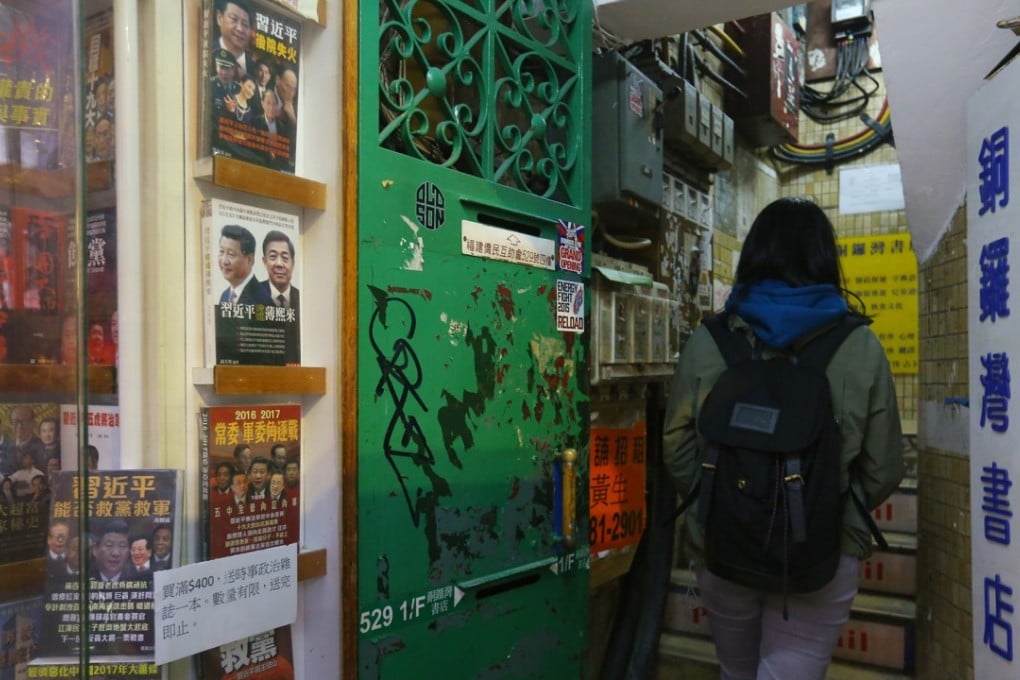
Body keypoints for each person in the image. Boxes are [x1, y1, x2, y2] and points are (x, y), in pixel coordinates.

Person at [663, 197, 904, 680]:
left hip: (724, 548)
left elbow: (676, 445)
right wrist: (831, 509)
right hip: (820, 556)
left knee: (736, 671)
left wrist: (719, 504)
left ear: (755, 255)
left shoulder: (710, 340)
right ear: (823, 259)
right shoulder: (859, 346)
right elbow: (884, 467)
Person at [218, 224, 267, 305]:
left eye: (231, 254)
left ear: (249, 259)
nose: (224, 261)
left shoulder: (262, 299)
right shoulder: (225, 296)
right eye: (221, 251)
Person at [259, 231, 299, 311]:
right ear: (265, 262)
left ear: (293, 264)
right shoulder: (251, 295)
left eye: (285, 258)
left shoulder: (301, 298)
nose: (279, 264)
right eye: (273, 257)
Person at [214, 0, 254, 76]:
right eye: (234, 19)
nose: (239, 29)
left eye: (245, 24)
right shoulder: (207, 52)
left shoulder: (254, 68)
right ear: (219, 18)